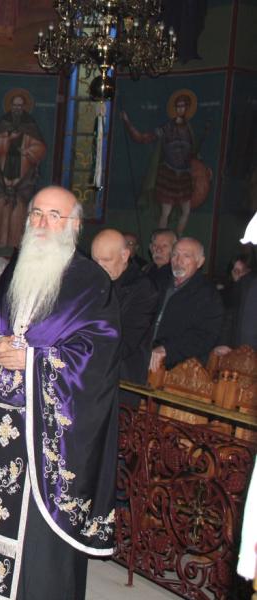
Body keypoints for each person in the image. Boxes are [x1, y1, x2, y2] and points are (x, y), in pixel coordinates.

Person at [0, 186, 121, 600]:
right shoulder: (15, 271)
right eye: (36, 214)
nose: (42, 223)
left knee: (38, 543)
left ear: (74, 225)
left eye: (54, 215)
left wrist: (35, 360)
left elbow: (98, 353)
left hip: (45, 433)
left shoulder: (91, 282)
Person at [92, 229, 160, 407]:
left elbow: (125, 342)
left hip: (120, 381)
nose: (99, 267)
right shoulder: (93, 282)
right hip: (91, 374)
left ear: (124, 255)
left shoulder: (143, 289)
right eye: (95, 260)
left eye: (106, 260)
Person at [121, 93, 206, 235]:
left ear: (187, 108)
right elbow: (143, 138)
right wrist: (127, 122)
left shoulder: (189, 129)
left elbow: (191, 153)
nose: (181, 109)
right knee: (166, 211)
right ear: (175, 108)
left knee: (186, 210)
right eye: (178, 106)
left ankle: (178, 239)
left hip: (184, 176)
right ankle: (161, 240)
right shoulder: (167, 127)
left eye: (183, 106)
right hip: (169, 174)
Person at [150, 237, 224, 371]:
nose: (178, 261)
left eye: (186, 256)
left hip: (180, 368)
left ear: (200, 262)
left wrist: (168, 350)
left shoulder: (208, 295)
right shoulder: (158, 282)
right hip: (145, 357)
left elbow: (205, 336)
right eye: (175, 255)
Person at [0, 91, 47, 248]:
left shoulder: (30, 124)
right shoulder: (4, 122)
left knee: (20, 206)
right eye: (14, 105)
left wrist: (27, 151)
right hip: (2, 172)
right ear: (10, 106)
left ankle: (16, 241)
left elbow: (40, 148)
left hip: (23, 174)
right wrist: (7, 139)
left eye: (20, 105)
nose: (17, 108)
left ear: (24, 106)